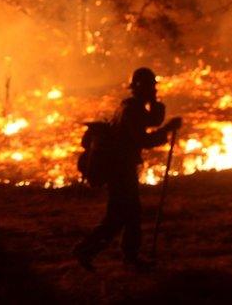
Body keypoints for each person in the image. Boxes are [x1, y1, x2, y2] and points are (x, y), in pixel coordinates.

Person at [73, 67, 181, 271]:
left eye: (154, 87)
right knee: (120, 215)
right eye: (150, 87)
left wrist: (157, 104)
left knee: (129, 214)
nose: (154, 90)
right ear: (140, 88)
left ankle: (127, 256)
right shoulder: (131, 111)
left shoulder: (133, 106)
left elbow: (152, 120)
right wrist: (167, 129)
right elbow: (144, 140)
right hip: (119, 168)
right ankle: (88, 250)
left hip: (122, 166)